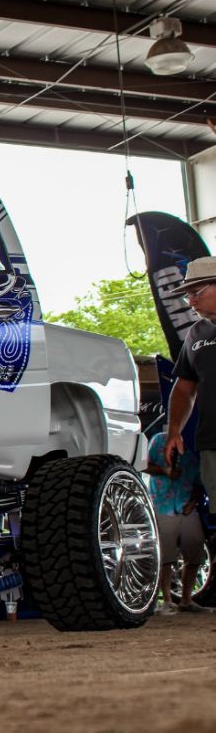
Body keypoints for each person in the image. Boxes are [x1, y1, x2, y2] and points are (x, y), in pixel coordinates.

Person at [160, 255, 216, 613]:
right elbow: (184, 388)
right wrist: (173, 431)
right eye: (188, 294)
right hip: (213, 442)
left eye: (197, 292)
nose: (190, 301)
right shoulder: (196, 335)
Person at [144, 431, 207, 614]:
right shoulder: (159, 440)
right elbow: (144, 465)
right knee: (165, 555)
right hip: (162, 505)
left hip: (185, 506)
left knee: (195, 549)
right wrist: (165, 471)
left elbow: (198, 482)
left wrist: (194, 501)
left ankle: (186, 600)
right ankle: (167, 601)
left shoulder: (193, 448)